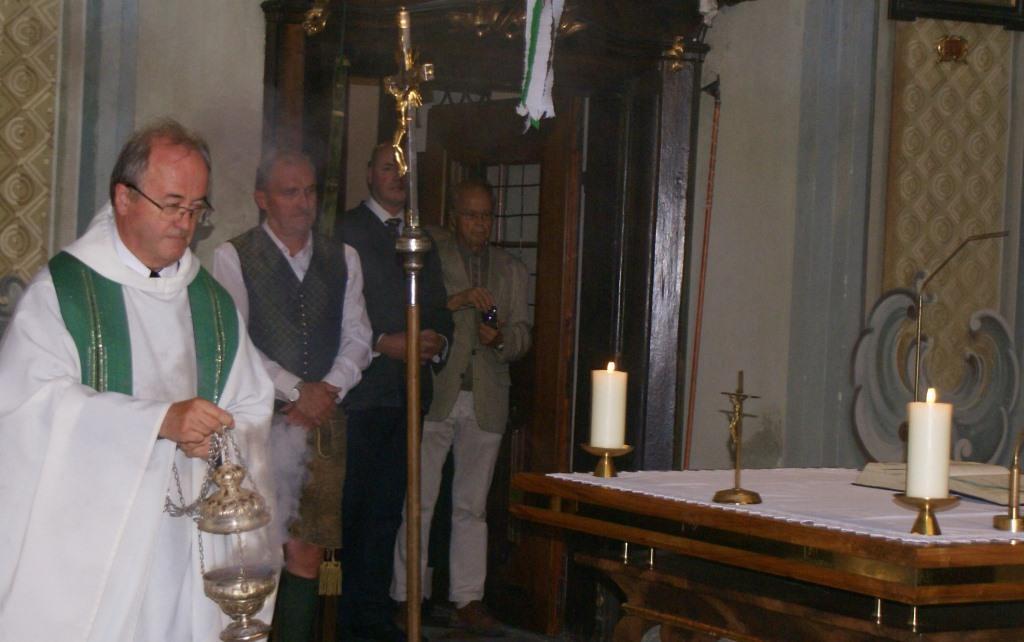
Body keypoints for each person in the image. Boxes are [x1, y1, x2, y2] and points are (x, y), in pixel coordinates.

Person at [0, 119, 275, 641]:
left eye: (196, 208)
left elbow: (253, 408)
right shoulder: (65, 292)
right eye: (171, 205)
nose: (185, 223)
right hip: (93, 541)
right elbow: (27, 407)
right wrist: (158, 422)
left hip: (184, 542)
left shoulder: (211, 304)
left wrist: (220, 440)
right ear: (124, 198)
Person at [212, 149, 372, 642]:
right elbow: (235, 342)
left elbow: (359, 336)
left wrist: (328, 390)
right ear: (262, 199)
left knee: (307, 551)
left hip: (323, 421)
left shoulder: (343, 258)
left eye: (310, 191)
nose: (304, 202)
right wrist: (296, 390)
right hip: (258, 421)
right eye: (290, 192)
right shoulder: (233, 256)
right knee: (257, 546)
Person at [391, 179, 532, 635]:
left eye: (486, 215)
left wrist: (502, 339)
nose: (480, 224)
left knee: (472, 507)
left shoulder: (511, 269)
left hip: (487, 396)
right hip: (438, 391)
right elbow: (417, 305)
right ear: (454, 217)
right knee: (419, 501)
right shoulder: (431, 255)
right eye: (471, 215)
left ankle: (468, 599)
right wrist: (461, 300)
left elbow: (523, 334)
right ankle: (408, 596)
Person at [333, 143, 453, 641]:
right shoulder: (346, 231)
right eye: (388, 167)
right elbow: (335, 308)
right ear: (369, 174)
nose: (397, 177)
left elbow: (440, 306)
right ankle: (343, 623)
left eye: (404, 170)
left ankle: (375, 618)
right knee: (353, 512)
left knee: (389, 512)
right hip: (361, 395)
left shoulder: (420, 234)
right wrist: (384, 342)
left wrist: (436, 341)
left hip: (408, 396)